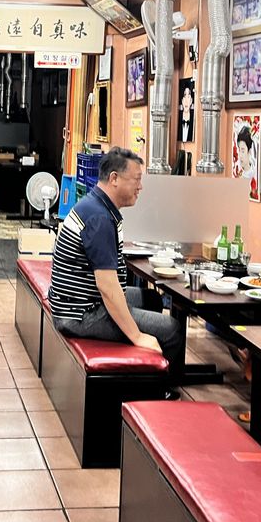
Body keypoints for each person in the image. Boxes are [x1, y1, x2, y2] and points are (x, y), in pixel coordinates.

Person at [48, 146, 183, 377]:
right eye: (136, 180)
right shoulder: (99, 218)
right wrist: (137, 336)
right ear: (114, 179)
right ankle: (161, 391)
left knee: (151, 299)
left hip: (80, 303)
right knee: (171, 330)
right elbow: (108, 289)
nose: (140, 187)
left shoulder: (95, 205)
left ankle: (141, 372)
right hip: (81, 314)